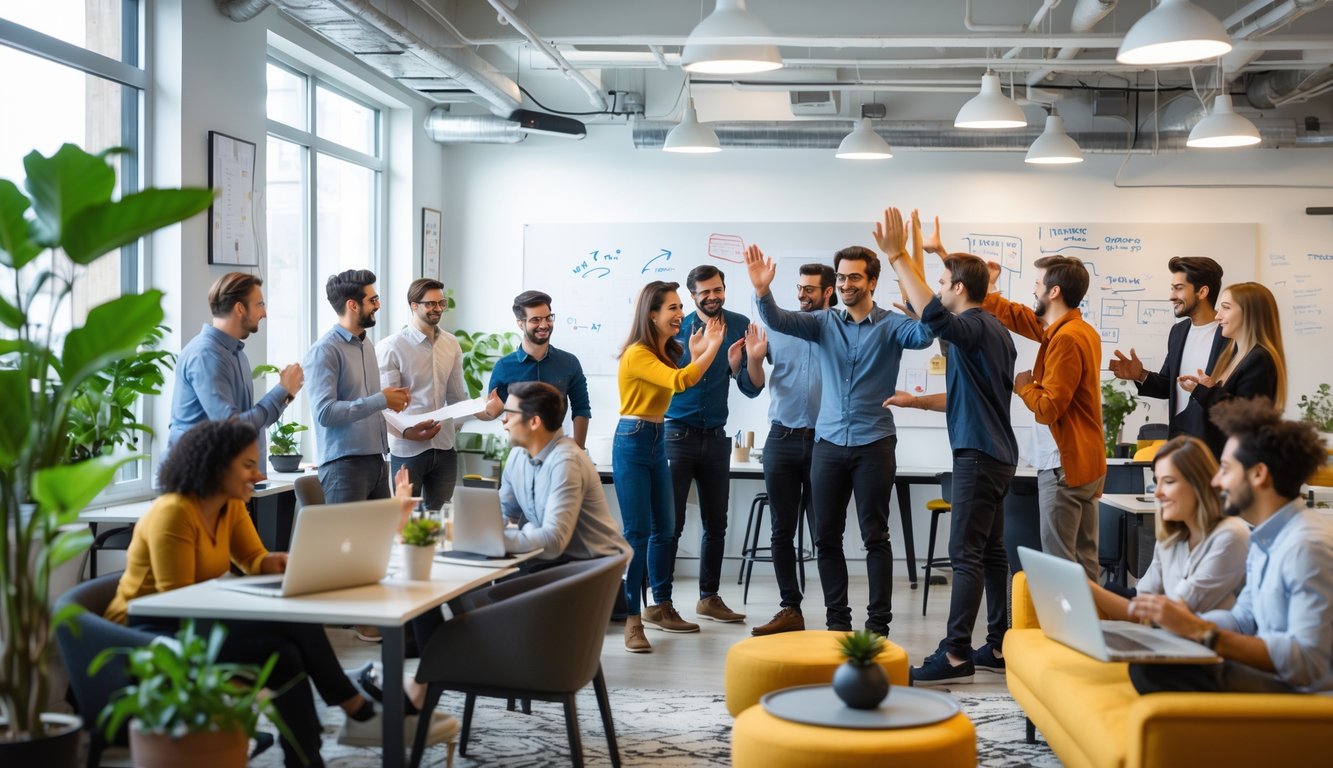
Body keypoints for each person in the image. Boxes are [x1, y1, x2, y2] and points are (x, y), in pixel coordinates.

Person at [105, 421, 456, 767]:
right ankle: (356, 708)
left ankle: (307, 755)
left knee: (285, 653)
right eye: (247, 465)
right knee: (290, 627)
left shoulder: (230, 506)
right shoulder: (174, 512)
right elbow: (177, 601)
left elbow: (253, 560)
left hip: (196, 618)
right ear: (213, 465)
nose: (257, 475)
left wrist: (282, 562)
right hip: (148, 631)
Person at [746, 242, 934, 636]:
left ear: (872, 282)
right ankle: (838, 623)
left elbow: (926, 336)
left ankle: (878, 624)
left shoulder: (891, 325)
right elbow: (778, 320)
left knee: (874, 536)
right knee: (826, 537)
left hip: (873, 444)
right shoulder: (822, 323)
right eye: (843, 277)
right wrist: (762, 291)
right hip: (828, 446)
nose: (847, 284)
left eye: (855, 277)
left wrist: (915, 289)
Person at [875, 208, 1018, 685]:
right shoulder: (991, 330)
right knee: (992, 553)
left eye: (942, 281)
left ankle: (956, 654)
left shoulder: (975, 325)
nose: (937, 288)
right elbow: (964, 392)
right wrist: (916, 402)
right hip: (996, 455)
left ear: (959, 287)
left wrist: (897, 256)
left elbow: (934, 316)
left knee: (965, 554)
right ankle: (998, 644)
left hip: (978, 455)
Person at [1126, 397, 1333, 694]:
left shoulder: (1306, 547)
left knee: (1152, 670)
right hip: (1273, 676)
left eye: (1225, 468)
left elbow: (1307, 664)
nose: (1216, 482)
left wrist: (1200, 632)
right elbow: (1242, 618)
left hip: (1302, 697)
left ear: (1258, 474)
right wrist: (1181, 628)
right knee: (1155, 657)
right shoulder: (1265, 540)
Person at [614, 281, 724, 653]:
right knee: (638, 533)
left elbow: (681, 376)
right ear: (652, 314)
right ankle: (632, 620)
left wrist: (694, 354)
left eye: (680, 307)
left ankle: (659, 606)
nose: (680, 314)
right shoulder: (637, 353)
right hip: (632, 440)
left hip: (658, 439)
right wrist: (711, 348)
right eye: (673, 308)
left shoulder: (667, 351)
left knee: (666, 528)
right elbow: (682, 382)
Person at [982, 253, 1106, 581]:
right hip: (1083, 461)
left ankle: (1067, 632)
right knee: (1084, 560)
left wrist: (1024, 387)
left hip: (1061, 463)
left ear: (1053, 292)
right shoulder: (1077, 330)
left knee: (1060, 564)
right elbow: (1024, 319)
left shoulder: (1065, 338)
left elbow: (1049, 407)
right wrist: (992, 289)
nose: (1033, 291)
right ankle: (1092, 629)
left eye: (1037, 284)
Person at [662, 265, 765, 626]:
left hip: (716, 437)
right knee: (670, 524)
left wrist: (744, 363)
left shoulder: (740, 326)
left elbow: (752, 389)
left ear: (724, 289)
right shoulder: (677, 329)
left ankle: (709, 598)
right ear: (693, 296)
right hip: (675, 435)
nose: (712, 296)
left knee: (716, 524)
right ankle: (662, 601)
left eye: (717, 289)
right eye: (704, 292)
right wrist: (701, 353)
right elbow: (674, 384)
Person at [750, 263, 834, 636]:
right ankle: (790, 608)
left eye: (810, 290)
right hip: (781, 439)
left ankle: (838, 616)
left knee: (826, 533)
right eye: (799, 288)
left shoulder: (840, 330)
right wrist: (752, 359)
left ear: (828, 292)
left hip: (824, 442)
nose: (802, 295)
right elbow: (753, 385)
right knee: (781, 532)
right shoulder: (780, 327)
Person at [1089, 435, 1249, 621]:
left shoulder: (1231, 536)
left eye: (1169, 481)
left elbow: (1178, 612)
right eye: (1157, 482)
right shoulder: (1171, 538)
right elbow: (1141, 602)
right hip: (1173, 640)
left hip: (1205, 646)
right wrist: (1090, 591)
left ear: (1199, 485)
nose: (1157, 493)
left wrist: (1090, 588)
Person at [168, 272, 303, 473]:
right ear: (240, 308)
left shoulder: (237, 354)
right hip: (201, 483)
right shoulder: (205, 355)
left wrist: (287, 394)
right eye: (260, 304)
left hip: (229, 481)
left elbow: (252, 424)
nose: (264, 313)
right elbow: (233, 428)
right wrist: (282, 391)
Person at [306, 269, 409, 505]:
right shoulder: (325, 350)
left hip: (377, 462)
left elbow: (369, 405)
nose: (378, 305)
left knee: (378, 542)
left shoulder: (367, 344)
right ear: (353, 305)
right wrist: (381, 399)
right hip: (344, 468)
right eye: (372, 300)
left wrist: (402, 422)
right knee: (347, 542)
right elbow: (325, 412)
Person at [498, 381, 628, 567]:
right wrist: (480, 535)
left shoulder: (567, 461)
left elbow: (553, 542)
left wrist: (502, 539)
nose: (504, 420)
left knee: (483, 594)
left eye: (510, 414)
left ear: (535, 421)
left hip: (591, 571)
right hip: (553, 564)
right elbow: (503, 513)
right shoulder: (517, 455)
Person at [1109, 257, 1227, 443]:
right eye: (1172, 288)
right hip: (1178, 439)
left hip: (1214, 444)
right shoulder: (1178, 332)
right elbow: (1168, 385)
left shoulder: (1229, 335)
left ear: (1202, 292)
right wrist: (1140, 375)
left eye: (1178, 288)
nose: (1171, 296)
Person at [377, 278, 467, 510]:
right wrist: (409, 433)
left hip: (445, 447)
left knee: (440, 519)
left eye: (441, 303)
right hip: (408, 450)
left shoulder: (451, 343)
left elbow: (457, 396)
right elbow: (388, 407)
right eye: (430, 304)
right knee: (405, 521)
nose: (437, 309)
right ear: (413, 305)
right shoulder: (391, 347)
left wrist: (475, 414)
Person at [1178, 282, 1287, 459]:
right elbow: (1232, 403)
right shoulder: (1234, 355)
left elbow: (1244, 419)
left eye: (1226, 308)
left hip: (1236, 463)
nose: (1217, 316)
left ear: (1250, 314)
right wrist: (1208, 387)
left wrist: (1202, 392)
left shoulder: (1259, 359)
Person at [481, 290, 593, 448]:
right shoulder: (504, 367)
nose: (544, 325)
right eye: (536, 320)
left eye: (548, 318)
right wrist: (487, 410)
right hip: (519, 453)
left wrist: (579, 449)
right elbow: (494, 409)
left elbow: (581, 408)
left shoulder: (569, 362)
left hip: (557, 451)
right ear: (520, 323)